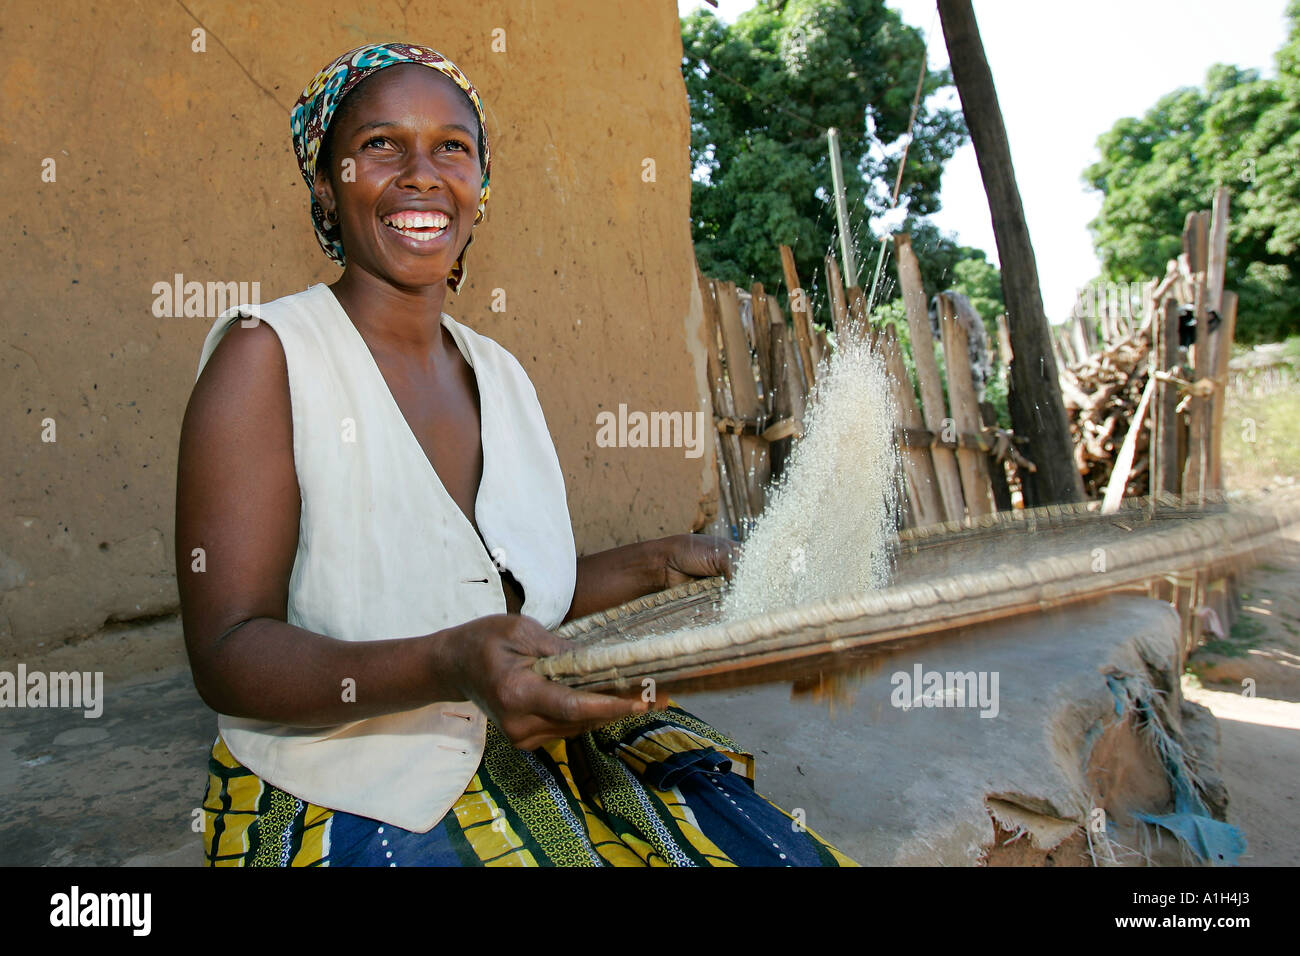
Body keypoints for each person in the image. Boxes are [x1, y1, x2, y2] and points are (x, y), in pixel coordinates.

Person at [176, 42, 855, 867]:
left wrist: (660, 565)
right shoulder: (268, 354)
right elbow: (229, 652)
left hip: (532, 740)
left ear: (480, 189)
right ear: (328, 183)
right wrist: (448, 663)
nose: (422, 173)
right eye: (381, 144)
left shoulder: (498, 375)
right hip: (351, 769)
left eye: (451, 147)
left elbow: (507, 595)